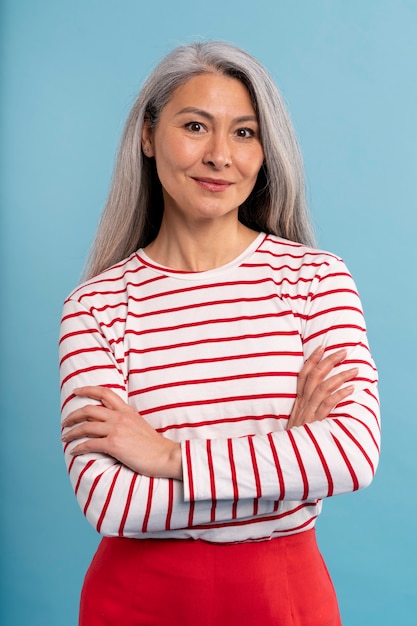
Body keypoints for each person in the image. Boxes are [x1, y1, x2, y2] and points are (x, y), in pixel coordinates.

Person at [59, 41, 380, 626]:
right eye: (195, 126)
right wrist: (287, 469)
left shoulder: (316, 280)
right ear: (149, 136)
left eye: (244, 133)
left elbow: (352, 456)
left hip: (284, 599)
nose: (219, 156)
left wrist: (168, 456)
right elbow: (109, 503)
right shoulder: (95, 308)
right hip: (136, 602)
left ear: (265, 150)